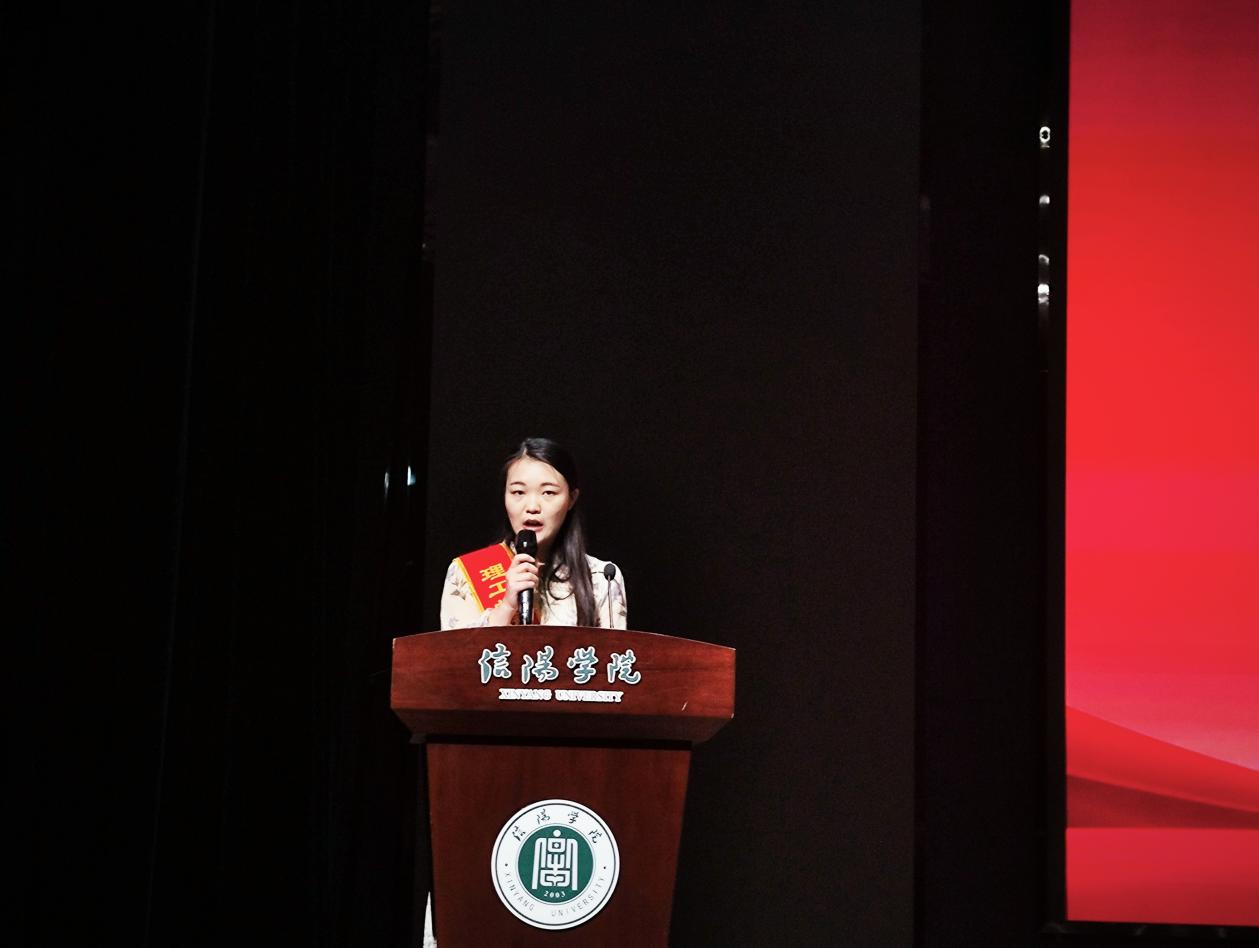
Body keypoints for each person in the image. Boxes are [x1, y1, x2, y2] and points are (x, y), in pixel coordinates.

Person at [440, 437, 627, 630]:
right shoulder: (463, 574)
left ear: (571, 499)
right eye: (518, 492)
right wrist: (507, 607)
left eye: (548, 493)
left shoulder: (602, 578)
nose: (532, 507)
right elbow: (452, 649)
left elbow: (616, 650)